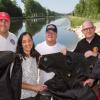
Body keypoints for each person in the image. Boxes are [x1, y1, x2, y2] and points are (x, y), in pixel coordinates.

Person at [35, 24, 66, 100]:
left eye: (53, 32)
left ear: (56, 34)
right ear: (45, 34)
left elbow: (67, 68)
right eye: (48, 32)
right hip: (43, 86)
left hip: (58, 86)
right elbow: (34, 66)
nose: (50, 34)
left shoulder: (63, 48)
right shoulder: (38, 47)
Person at [16, 32, 47, 100]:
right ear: (20, 44)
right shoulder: (17, 59)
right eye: (24, 42)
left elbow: (48, 63)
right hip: (23, 97)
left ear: (32, 41)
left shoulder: (35, 56)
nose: (27, 43)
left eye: (29, 40)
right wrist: (34, 87)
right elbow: (16, 82)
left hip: (35, 95)